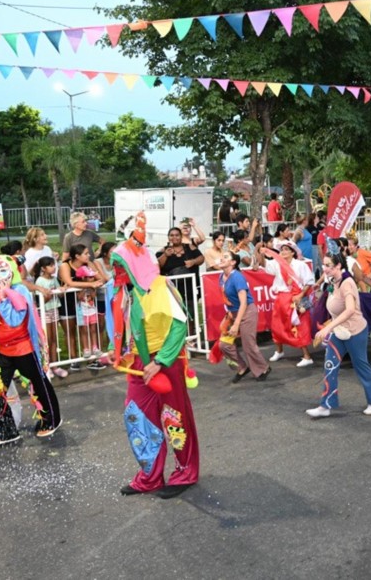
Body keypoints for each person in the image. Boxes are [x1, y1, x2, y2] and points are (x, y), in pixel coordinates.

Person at [110, 213, 199, 498]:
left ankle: (185, 472)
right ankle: (150, 476)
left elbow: (180, 324)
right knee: (137, 415)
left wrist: (160, 362)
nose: (115, 271)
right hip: (140, 363)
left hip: (166, 362)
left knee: (175, 417)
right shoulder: (129, 292)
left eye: (119, 265)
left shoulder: (159, 287)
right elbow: (134, 329)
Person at [0, 255, 61, 448]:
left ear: (12, 271)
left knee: (39, 384)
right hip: (4, 350)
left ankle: (51, 420)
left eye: (2, 270)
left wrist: (3, 296)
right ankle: (4, 432)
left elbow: (15, 319)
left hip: (23, 348)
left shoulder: (19, 289)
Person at [307, 252, 371, 419]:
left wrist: (328, 328)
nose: (324, 269)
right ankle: (326, 405)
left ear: (338, 266)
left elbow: (349, 310)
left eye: (328, 266)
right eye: (324, 265)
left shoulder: (347, 283)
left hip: (355, 331)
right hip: (339, 332)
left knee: (361, 365)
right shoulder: (334, 281)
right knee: (330, 365)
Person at [260, 240, 315, 366]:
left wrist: (300, 295)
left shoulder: (300, 265)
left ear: (292, 252)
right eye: (282, 249)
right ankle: (279, 351)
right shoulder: (277, 264)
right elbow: (264, 264)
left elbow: (309, 282)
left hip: (297, 297)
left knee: (300, 326)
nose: (283, 252)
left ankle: (307, 356)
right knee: (277, 325)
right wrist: (261, 252)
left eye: (286, 249)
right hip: (281, 298)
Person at [217, 253, 270, 382]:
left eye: (225, 257)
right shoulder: (221, 277)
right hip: (233, 313)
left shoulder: (237, 277)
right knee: (224, 345)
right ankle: (242, 367)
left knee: (248, 345)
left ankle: (262, 368)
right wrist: (229, 315)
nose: (221, 259)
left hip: (247, 312)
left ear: (233, 262)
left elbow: (244, 302)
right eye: (222, 257)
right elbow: (227, 298)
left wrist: (236, 324)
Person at [59, 245, 106, 365]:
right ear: (77, 256)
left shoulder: (88, 264)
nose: (89, 255)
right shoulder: (65, 265)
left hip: (85, 302)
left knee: (89, 328)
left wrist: (93, 282)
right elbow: (69, 281)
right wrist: (90, 284)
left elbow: (100, 279)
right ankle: (74, 360)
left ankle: (92, 359)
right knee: (71, 331)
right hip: (68, 302)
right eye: (86, 253)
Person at [31, 257, 67, 379]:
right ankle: (46, 365)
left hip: (54, 310)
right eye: (51, 265)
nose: (54, 267)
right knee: (47, 339)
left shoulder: (54, 279)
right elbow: (41, 300)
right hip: (45, 312)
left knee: (54, 339)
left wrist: (62, 288)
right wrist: (50, 294)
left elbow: (60, 294)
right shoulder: (40, 281)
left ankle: (55, 365)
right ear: (43, 268)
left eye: (54, 265)